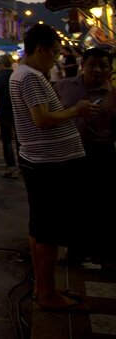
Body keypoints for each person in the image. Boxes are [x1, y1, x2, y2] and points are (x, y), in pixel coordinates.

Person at [10, 24, 94, 313]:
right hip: (49, 162)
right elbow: (41, 119)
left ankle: (43, 286)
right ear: (41, 49)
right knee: (49, 230)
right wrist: (76, 110)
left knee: (41, 226)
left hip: (41, 159)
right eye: (55, 53)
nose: (56, 59)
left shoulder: (21, 75)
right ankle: (47, 292)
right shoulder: (31, 77)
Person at [54, 47, 115, 269]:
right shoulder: (64, 86)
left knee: (100, 206)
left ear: (110, 69)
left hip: (101, 154)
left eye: (103, 66)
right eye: (92, 65)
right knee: (72, 204)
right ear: (83, 65)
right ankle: (74, 252)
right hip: (68, 153)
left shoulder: (113, 94)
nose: (97, 70)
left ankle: (102, 254)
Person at [0, 56, 18, 179]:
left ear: (1, 64)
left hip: (4, 112)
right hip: (18, 111)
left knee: (6, 140)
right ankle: (24, 164)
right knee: (20, 139)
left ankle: (11, 166)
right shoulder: (17, 76)